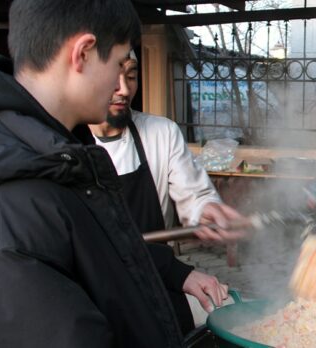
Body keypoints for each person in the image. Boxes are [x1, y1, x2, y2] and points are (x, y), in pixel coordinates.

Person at [0, 0, 179, 346]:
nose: (121, 87)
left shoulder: (60, 157)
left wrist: (175, 272)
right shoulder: (16, 196)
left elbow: (101, 257)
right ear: (83, 53)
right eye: (119, 64)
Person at [88, 52, 246, 334]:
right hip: (94, 295)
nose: (124, 89)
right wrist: (180, 273)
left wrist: (207, 210)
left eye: (132, 75)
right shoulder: (62, 141)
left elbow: (195, 194)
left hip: (154, 283)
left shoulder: (160, 132)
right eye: (114, 75)